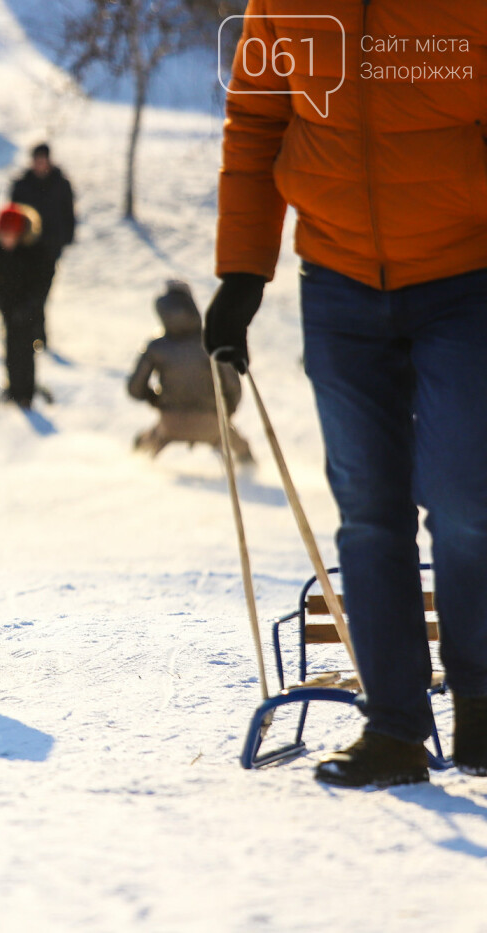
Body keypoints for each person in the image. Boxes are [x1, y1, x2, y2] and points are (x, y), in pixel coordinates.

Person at [205, 2, 487, 788]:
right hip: (337, 282)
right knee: (368, 510)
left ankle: (483, 696)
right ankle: (394, 726)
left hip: (467, 274)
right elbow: (258, 121)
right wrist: (241, 273)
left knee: (468, 496)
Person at [128, 281, 250, 462]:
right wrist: (228, 409)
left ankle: (130, 473)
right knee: (243, 450)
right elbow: (233, 385)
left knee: (142, 444)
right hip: (213, 422)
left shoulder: (156, 347)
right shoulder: (211, 342)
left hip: (170, 422)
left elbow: (135, 389)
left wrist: (155, 398)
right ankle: (251, 477)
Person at [8, 143, 75, 349]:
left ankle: (39, 331)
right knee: (28, 291)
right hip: (25, 250)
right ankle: (32, 331)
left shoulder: (60, 184)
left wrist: (64, 239)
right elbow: (13, 214)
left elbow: (68, 215)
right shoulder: (22, 184)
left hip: (50, 249)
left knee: (42, 292)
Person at [0, 203, 46, 409]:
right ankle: (12, 388)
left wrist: (29, 306)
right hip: (8, 308)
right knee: (10, 348)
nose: (6, 240)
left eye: (10, 235)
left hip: (28, 310)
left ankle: (26, 393)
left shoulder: (32, 250)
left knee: (26, 350)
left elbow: (39, 283)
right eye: (3, 235)